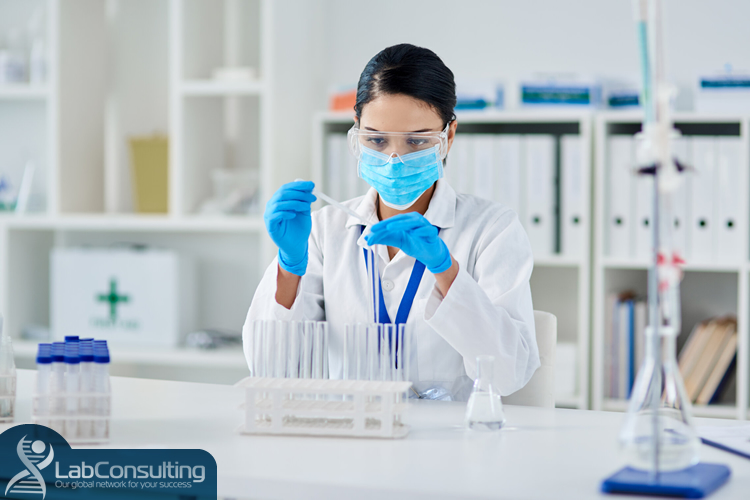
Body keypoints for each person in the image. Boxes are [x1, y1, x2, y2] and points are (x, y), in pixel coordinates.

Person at [243, 43, 539, 400]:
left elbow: (508, 373)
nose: (395, 159)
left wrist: (446, 270)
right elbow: (270, 369)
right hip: (352, 439)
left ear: (449, 135)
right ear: (357, 131)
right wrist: (290, 266)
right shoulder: (324, 231)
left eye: (416, 141)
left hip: (451, 445)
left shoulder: (492, 230)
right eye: (377, 139)